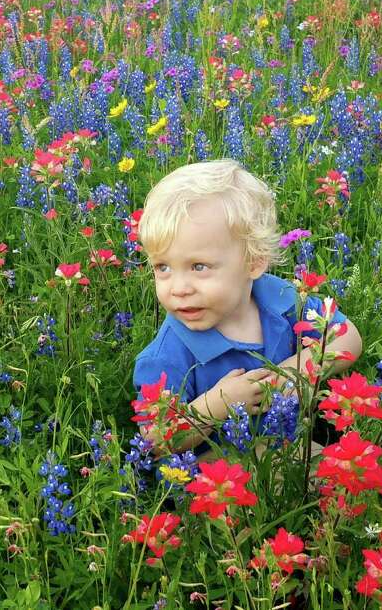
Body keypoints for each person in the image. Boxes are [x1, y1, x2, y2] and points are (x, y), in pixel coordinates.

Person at [132, 159, 363, 457]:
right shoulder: (165, 356)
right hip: (213, 481)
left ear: (253, 263)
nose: (178, 288)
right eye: (162, 267)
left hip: (286, 447)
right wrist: (216, 405)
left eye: (198, 266)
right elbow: (154, 443)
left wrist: (292, 374)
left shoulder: (282, 298)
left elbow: (349, 337)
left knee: (348, 470)